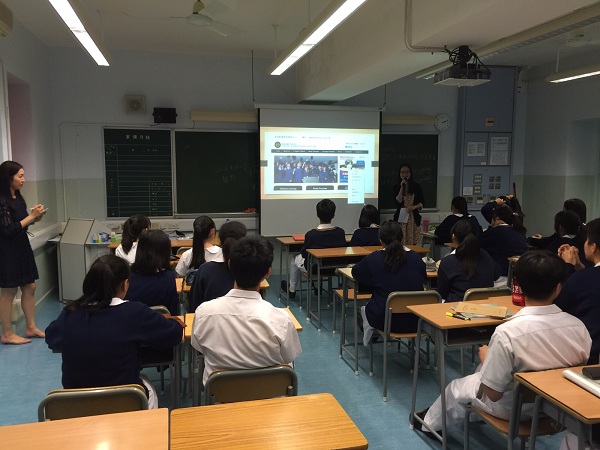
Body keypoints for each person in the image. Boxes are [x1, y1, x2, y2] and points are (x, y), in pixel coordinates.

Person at [414, 250, 591, 435]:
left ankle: (428, 424)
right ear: (558, 288)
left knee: (456, 388)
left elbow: (493, 394)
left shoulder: (507, 333)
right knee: (479, 377)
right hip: (559, 408)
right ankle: (463, 414)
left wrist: (487, 359)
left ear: (518, 287)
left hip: (513, 409)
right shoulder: (579, 328)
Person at [45, 255, 183, 409]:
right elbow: (173, 334)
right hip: (125, 402)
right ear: (125, 284)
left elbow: (51, 337)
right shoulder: (134, 312)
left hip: (76, 405)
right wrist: (173, 322)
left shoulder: (70, 314)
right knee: (147, 388)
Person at [191, 235, 302, 385]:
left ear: (230, 264)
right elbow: (289, 356)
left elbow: (199, 347)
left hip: (221, 396)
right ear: (267, 273)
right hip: (270, 395)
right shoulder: (281, 320)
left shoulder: (204, 313)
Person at [352, 220, 426, 345]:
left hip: (384, 320)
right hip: (416, 320)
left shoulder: (374, 258)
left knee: (365, 308)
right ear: (402, 238)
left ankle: (371, 333)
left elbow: (356, 272)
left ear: (381, 240)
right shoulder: (416, 258)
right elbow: (422, 278)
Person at [0, 160, 47, 344]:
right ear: (8, 178)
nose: (23, 180)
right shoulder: (2, 200)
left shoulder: (17, 197)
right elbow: (8, 230)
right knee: (9, 291)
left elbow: (22, 223)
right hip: (7, 251)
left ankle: (31, 327)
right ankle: (7, 333)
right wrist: (31, 216)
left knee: (30, 286)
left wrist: (35, 217)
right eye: (20, 176)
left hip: (22, 247)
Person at [280, 199, 346, 299]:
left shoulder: (311, 234)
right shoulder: (340, 232)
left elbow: (304, 254)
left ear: (317, 214)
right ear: (333, 215)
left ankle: (291, 290)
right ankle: (317, 286)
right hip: (332, 268)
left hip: (313, 269)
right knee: (316, 261)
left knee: (295, 259)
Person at [556, 217, 600, 364]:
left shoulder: (581, 279)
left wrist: (567, 267)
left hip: (588, 358)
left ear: (593, 247)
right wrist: (580, 267)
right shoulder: (585, 276)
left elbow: (556, 307)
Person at [188, 220, 247, 312]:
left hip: (210, 319)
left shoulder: (205, 270)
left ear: (219, 240)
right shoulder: (250, 269)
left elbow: (194, 306)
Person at [437, 220, 500, 302]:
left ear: (453, 237)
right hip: (485, 305)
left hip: (456, 306)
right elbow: (496, 275)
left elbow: (442, 293)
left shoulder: (448, 262)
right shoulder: (485, 255)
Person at [127, 229, 179, 315]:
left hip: (133, 321)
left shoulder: (128, 277)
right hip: (161, 322)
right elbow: (172, 312)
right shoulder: (168, 277)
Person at [478, 204, 528, 277]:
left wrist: (490, 227)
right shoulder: (517, 231)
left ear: (497, 218)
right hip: (519, 272)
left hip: (502, 273)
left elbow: (478, 243)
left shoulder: (495, 232)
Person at [175, 215, 222, 281]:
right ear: (212, 232)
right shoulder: (222, 253)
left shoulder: (186, 255)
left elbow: (180, 278)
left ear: (194, 232)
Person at [392, 163, 424, 246]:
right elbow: (397, 201)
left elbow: (422, 203)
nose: (405, 174)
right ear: (399, 174)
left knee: (413, 242)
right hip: (401, 217)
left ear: (410, 173)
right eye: (402, 172)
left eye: (407, 172)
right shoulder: (396, 187)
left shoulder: (417, 186)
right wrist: (401, 188)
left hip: (413, 217)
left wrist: (414, 207)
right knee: (400, 240)